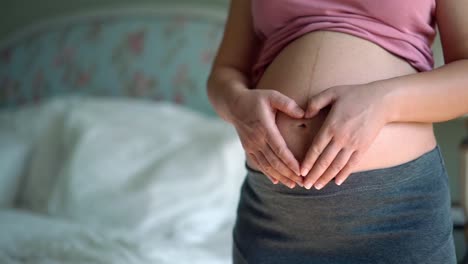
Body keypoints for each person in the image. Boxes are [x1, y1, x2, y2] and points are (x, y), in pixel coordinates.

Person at [207, 0, 467, 263]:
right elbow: (226, 72)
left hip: (396, 216)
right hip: (272, 216)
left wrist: (383, 102)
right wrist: (237, 104)